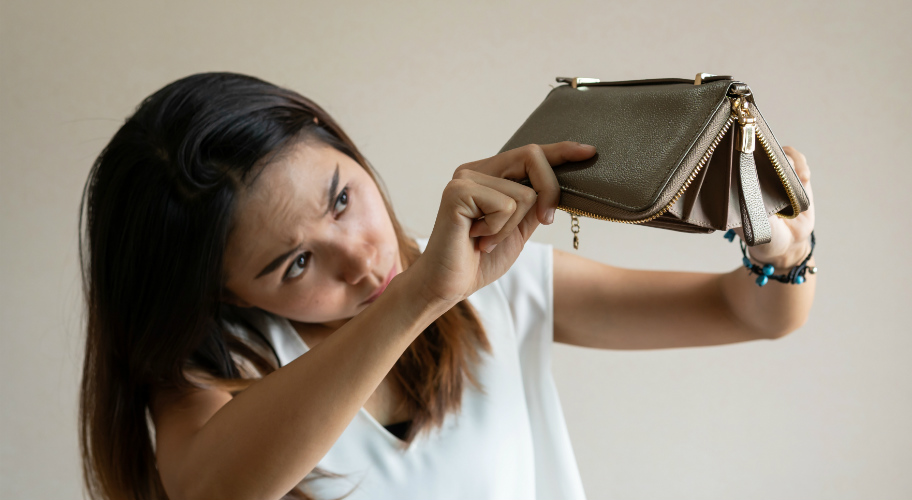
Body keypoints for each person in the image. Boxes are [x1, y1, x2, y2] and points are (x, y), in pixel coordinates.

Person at [78, 72, 817, 500]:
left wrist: (782, 242)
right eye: (295, 264)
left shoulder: (498, 284)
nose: (362, 261)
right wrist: (423, 294)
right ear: (226, 295)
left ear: (340, 143)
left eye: (341, 200)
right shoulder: (216, 377)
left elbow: (745, 312)